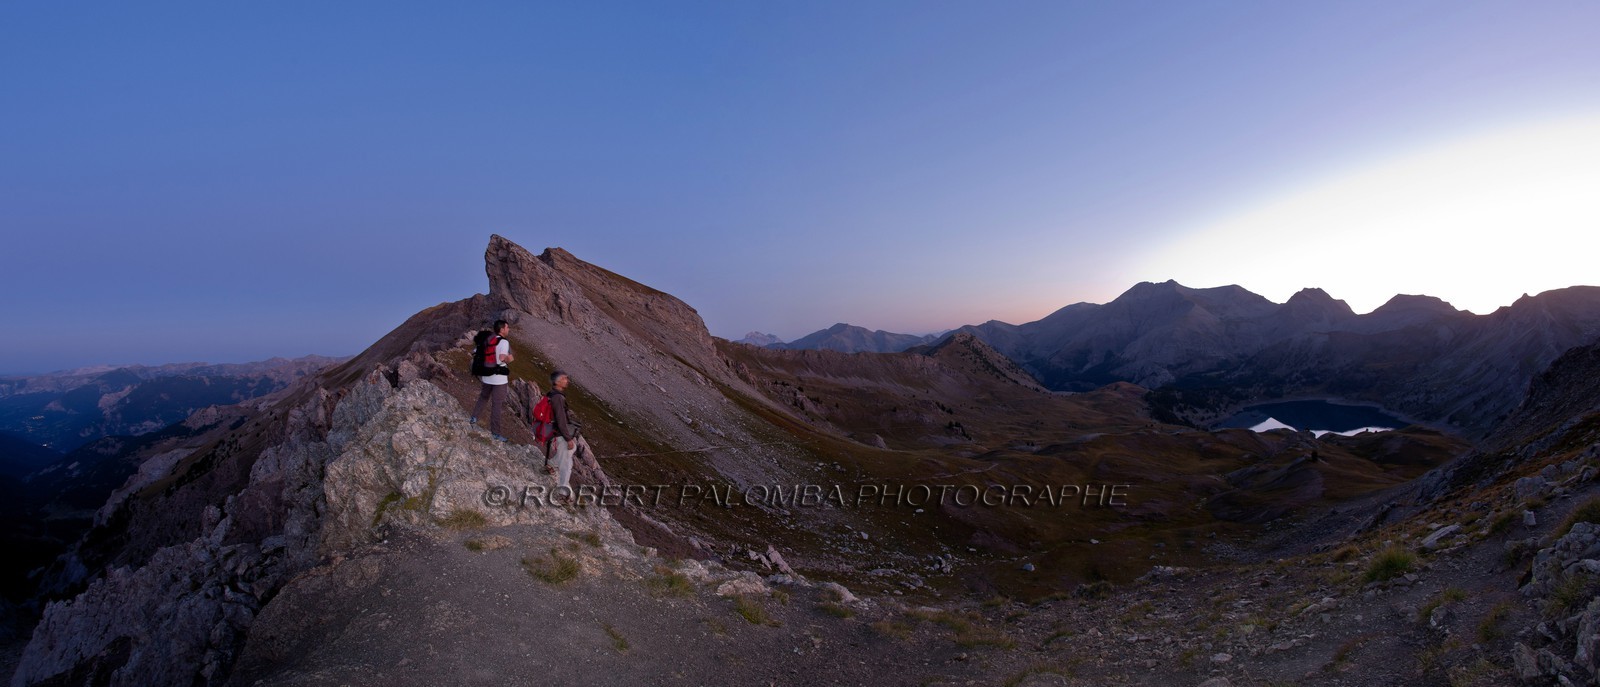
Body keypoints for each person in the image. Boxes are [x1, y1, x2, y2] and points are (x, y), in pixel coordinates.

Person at [470, 320, 514, 441]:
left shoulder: (488, 339)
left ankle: (474, 418)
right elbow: (501, 359)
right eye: (507, 327)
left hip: (486, 375)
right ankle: (495, 433)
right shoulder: (504, 342)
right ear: (502, 329)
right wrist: (510, 358)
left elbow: (475, 351)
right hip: (499, 379)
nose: (508, 329)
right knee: (497, 405)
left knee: (483, 397)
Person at [545, 370, 582, 496]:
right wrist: (568, 438)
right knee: (566, 464)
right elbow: (561, 420)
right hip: (558, 434)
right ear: (557, 381)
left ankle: (551, 464)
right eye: (565, 378)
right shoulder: (558, 398)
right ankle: (562, 491)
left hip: (555, 432)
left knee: (568, 453)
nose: (567, 381)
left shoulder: (552, 395)